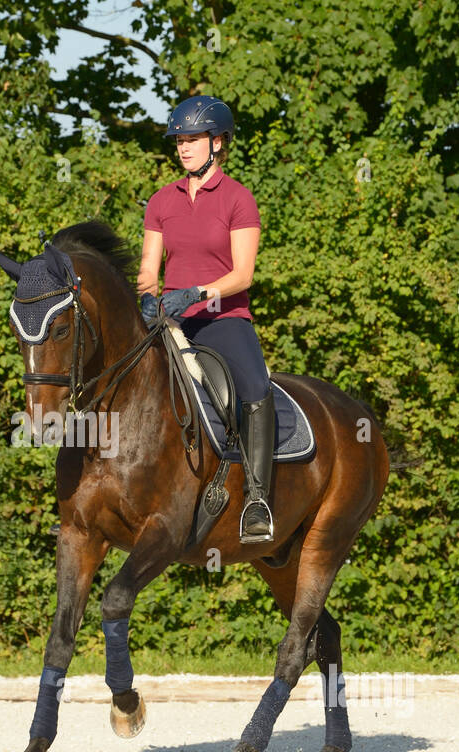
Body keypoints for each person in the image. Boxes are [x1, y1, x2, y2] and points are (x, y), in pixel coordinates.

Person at [137, 95, 274, 544]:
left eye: (192, 139)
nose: (183, 147)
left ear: (217, 142)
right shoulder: (160, 201)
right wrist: (146, 300)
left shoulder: (238, 199)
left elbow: (243, 274)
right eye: (179, 139)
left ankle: (257, 498)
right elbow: (147, 271)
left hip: (222, 318)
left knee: (255, 389)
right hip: (170, 322)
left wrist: (197, 294)